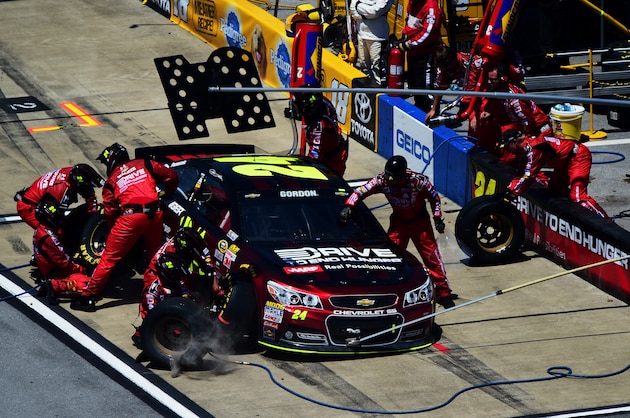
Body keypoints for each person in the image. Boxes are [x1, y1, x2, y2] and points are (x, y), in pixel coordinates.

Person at [71, 143, 179, 312]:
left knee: (108, 259)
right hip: (155, 213)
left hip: (130, 217)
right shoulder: (145, 163)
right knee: (153, 258)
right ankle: (152, 297)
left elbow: (110, 214)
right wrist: (167, 193)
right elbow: (171, 176)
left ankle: (88, 297)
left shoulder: (111, 181)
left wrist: (122, 233)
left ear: (112, 161)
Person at [340, 155, 456, 308]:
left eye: (392, 177)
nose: (388, 180)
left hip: (420, 224)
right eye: (386, 175)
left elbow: (434, 197)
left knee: (431, 257)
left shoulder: (418, 181)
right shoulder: (382, 180)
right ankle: (385, 289)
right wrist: (349, 206)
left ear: (402, 175)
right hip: (399, 223)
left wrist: (437, 218)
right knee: (389, 258)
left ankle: (443, 292)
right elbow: (361, 191)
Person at [501, 129, 610, 219]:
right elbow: (521, 172)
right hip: (564, 162)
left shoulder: (533, 149)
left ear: (514, 142)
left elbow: (529, 176)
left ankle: (607, 222)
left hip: (578, 157)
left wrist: (512, 192)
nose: (507, 151)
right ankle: (576, 215)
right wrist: (510, 188)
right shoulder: (523, 149)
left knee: (578, 196)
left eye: (507, 147)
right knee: (555, 189)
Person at [31, 197, 90, 305]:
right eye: (56, 217)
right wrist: (82, 269)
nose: (60, 218)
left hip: (51, 264)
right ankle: (55, 286)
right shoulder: (49, 238)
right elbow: (63, 262)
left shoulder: (42, 228)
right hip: (56, 272)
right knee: (88, 285)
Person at [15, 164, 104, 229]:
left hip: (42, 196)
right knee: (52, 232)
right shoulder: (59, 192)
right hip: (29, 208)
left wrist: (94, 214)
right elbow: (53, 217)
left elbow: (89, 195)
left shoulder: (72, 171)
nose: (89, 189)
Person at [397, 0, 443, 112]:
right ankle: (419, 113)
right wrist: (405, 38)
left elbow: (429, 32)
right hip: (413, 51)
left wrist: (409, 44)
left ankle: (431, 114)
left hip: (426, 53)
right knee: (414, 85)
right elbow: (409, 21)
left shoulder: (431, 7)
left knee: (425, 88)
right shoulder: (412, 3)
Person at [487, 65, 552, 138]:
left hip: (539, 130)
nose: (489, 82)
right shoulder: (502, 93)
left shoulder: (513, 97)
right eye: (488, 79)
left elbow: (527, 120)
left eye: (492, 80)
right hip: (527, 129)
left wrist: (526, 136)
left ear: (501, 79)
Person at [294, 88, 348, 176]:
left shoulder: (320, 129)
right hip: (331, 147)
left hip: (332, 163)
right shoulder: (321, 102)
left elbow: (315, 158)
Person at [349, 0, 394, 85]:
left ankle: (379, 92)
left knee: (377, 68)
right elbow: (352, 7)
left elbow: (375, 12)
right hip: (361, 34)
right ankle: (368, 92)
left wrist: (359, 6)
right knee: (364, 66)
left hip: (378, 37)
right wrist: (365, 14)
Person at [424, 44, 470, 124]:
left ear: (453, 60)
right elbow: (439, 88)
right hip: (466, 87)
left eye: (447, 67)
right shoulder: (444, 68)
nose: (446, 69)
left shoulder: (469, 64)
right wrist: (434, 109)